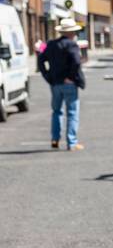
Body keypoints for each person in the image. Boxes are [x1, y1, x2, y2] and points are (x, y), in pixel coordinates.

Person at [37, 15, 86, 151]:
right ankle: (71, 142)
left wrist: (48, 77)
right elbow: (76, 62)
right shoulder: (71, 45)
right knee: (72, 112)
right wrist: (71, 77)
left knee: (56, 111)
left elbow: (41, 60)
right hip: (69, 83)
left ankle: (55, 139)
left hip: (55, 83)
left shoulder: (51, 44)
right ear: (71, 32)